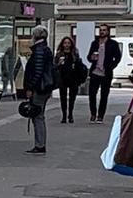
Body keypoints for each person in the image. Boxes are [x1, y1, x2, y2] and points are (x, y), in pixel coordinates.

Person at [23, 26, 54, 154]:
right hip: (44, 87)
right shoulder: (45, 49)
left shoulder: (39, 50)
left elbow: (37, 72)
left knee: (37, 115)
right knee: (39, 115)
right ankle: (40, 143)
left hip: (40, 88)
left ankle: (40, 144)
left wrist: (30, 87)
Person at [86, 24, 122, 123]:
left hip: (106, 73)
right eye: (100, 30)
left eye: (104, 30)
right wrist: (91, 58)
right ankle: (93, 114)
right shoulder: (95, 43)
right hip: (95, 72)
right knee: (92, 94)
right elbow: (89, 57)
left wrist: (111, 66)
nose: (102, 32)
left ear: (108, 32)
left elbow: (118, 57)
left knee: (104, 95)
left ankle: (100, 116)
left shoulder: (113, 44)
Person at [55, 36, 86, 124]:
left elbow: (79, 66)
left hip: (73, 78)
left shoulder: (75, 54)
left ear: (71, 44)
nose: (67, 45)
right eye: (65, 43)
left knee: (72, 98)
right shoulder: (59, 54)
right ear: (62, 44)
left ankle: (70, 114)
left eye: (68, 43)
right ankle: (64, 115)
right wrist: (58, 64)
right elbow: (54, 67)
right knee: (63, 98)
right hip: (62, 78)